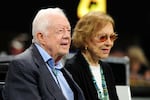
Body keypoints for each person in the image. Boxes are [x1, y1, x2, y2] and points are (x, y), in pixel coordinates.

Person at [2, 7, 85, 100]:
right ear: (41, 37)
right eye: (60, 31)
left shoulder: (60, 67)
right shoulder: (22, 66)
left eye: (69, 31)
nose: (67, 36)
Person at [64, 11, 119, 100]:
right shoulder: (72, 68)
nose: (109, 43)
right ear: (85, 39)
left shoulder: (106, 68)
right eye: (102, 37)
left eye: (112, 37)